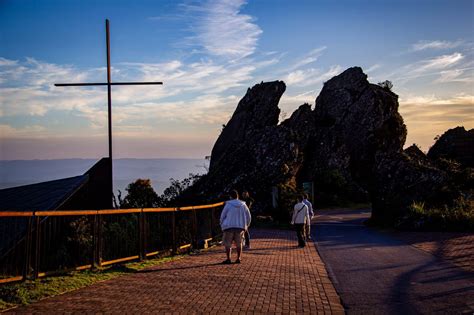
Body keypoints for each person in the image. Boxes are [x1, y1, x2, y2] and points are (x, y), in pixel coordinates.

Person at [220, 190, 252, 264]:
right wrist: (246, 226)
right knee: (239, 243)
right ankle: (238, 258)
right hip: (240, 227)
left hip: (229, 227)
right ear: (238, 196)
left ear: (230, 197)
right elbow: (249, 217)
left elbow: (222, 216)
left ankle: (228, 259)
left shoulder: (228, 204)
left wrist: (222, 225)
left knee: (228, 244)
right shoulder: (243, 205)